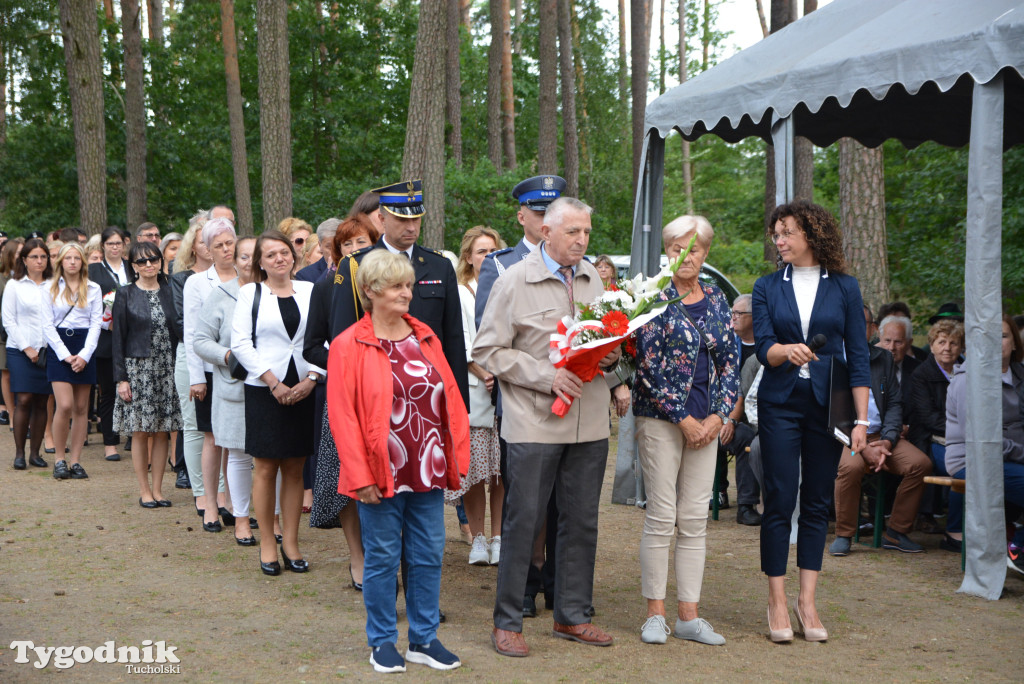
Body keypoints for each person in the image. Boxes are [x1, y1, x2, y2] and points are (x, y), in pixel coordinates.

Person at [475, 197, 620, 657]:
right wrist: (545, 376)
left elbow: (601, 340)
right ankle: (508, 621)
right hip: (533, 423)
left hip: (590, 422)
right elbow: (487, 351)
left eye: (587, 233)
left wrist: (612, 354)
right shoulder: (513, 279)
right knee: (525, 522)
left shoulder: (593, 278)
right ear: (545, 233)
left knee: (581, 522)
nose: (582, 241)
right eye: (573, 232)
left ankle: (572, 616)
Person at [327, 249, 469, 673]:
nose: (407, 292)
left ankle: (423, 639)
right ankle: (383, 641)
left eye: (408, 284)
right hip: (379, 469)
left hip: (427, 465)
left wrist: (455, 457)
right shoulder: (348, 344)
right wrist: (359, 473)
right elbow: (343, 417)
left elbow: (450, 399)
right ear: (369, 291)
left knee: (428, 554)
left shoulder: (425, 336)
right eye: (396, 286)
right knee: (383, 558)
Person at [751, 200, 870, 643]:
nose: (779, 241)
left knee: (819, 500)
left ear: (811, 235)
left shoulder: (845, 287)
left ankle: (808, 601)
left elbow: (858, 358)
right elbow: (763, 347)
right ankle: (777, 600)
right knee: (780, 497)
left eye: (786, 233)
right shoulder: (765, 286)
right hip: (780, 402)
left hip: (829, 407)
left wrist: (861, 420)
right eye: (776, 234)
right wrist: (786, 351)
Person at [631, 215, 739, 646]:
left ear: (705, 253)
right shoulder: (650, 296)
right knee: (661, 515)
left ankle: (689, 617)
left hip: (707, 421)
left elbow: (731, 360)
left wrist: (718, 416)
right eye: (678, 246)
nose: (685, 255)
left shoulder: (715, 299)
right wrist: (683, 418)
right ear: (667, 250)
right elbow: (646, 366)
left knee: (695, 518)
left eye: (694, 248)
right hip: (661, 419)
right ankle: (655, 615)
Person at [474, 174, 566, 619]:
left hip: (570, 396)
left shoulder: (574, 261)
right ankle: (527, 581)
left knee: (562, 499)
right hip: (519, 396)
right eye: (538, 211)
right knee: (525, 497)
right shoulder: (500, 264)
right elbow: (489, 336)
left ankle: (556, 579)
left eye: (553, 210)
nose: (545, 218)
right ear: (522, 215)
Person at [232, 231, 322, 576]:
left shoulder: (312, 291)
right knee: (266, 467)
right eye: (270, 255)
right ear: (260, 262)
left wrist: (311, 379)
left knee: (296, 468)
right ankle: (268, 542)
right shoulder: (250, 293)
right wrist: (273, 383)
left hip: (303, 386)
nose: (279, 259)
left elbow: (323, 337)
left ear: (293, 256)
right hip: (264, 388)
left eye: (284, 252)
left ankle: (291, 542)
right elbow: (240, 343)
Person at [302, 214, 380, 588]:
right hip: (345, 396)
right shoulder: (324, 286)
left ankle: (387, 558)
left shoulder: (394, 285)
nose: (353, 251)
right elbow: (312, 347)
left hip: (388, 397)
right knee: (349, 479)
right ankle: (358, 557)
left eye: (360, 243)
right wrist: (346, 362)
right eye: (345, 245)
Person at [829, 318, 932, 556]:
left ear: (872, 329)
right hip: (846, 436)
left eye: (862, 322)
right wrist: (863, 447)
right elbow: (832, 412)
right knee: (851, 467)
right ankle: (844, 534)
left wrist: (887, 440)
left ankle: (896, 532)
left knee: (920, 464)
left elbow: (895, 402)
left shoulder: (882, 357)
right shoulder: (832, 359)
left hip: (880, 435)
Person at [944, 314, 1024, 574]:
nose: (996, 342)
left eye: (1003, 335)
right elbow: (980, 439)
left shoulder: (1020, 374)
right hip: (973, 459)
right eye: (988, 337)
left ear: (1014, 342)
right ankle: (1018, 549)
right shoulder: (969, 378)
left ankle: (1015, 540)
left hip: (1012, 459)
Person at [194, 236, 258, 545]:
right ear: (235, 260)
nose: (248, 262)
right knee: (238, 452)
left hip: (273, 388)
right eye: (243, 257)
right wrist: (227, 356)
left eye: (254, 256)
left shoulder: (276, 292)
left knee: (271, 457)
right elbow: (200, 340)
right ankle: (239, 518)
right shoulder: (220, 296)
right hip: (234, 387)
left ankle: (269, 518)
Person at [111, 242, 182, 507]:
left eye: (153, 259)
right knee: (140, 430)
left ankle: (159, 489)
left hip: (168, 367)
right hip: (138, 369)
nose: (148, 265)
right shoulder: (125, 294)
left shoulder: (170, 291)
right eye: (141, 262)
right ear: (133, 266)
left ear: (161, 261)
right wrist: (122, 378)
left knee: (164, 430)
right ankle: (144, 490)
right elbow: (118, 338)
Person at [451, 226, 506, 566]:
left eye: (492, 250)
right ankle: (478, 538)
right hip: (475, 390)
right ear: (469, 257)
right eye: (480, 251)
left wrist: (502, 376)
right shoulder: (460, 292)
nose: (486, 256)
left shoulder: (507, 287)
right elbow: (462, 341)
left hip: (506, 388)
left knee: (501, 472)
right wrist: (486, 375)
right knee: (474, 472)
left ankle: (500, 537)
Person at [183, 217, 238, 532]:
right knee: (212, 437)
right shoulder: (197, 283)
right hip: (209, 369)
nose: (226, 250)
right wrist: (196, 377)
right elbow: (192, 333)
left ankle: (233, 503)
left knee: (236, 441)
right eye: (219, 245)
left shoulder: (248, 278)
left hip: (239, 371)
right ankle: (210, 507)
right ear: (208, 249)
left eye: (229, 243)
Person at [170, 217, 221, 499]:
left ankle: (223, 493)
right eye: (203, 240)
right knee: (193, 426)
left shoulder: (234, 275)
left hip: (224, 360)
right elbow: (181, 324)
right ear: (193, 246)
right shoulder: (182, 280)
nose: (209, 245)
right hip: (190, 355)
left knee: (222, 431)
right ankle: (201, 492)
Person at [43, 242, 103, 480]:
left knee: (81, 408)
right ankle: (59, 458)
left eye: (76, 258)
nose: (72, 262)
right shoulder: (50, 288)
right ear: (61, 262)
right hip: (60, 347)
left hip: (84, 346)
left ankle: (76, 460)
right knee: (65, 404)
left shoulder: (94, 289)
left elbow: (96, 323)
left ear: (82, 262)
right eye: (68, 258)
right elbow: (47, 325)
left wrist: (85, 354)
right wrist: (65, 355)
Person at [908, 318, 964, 543]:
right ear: (931, 346)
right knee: (962, 472)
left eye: (953, 343)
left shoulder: (968, 370)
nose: (947, 348)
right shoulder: (922, 375)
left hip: (967, 437)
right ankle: (954, 530)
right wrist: (964, 431)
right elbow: (928, 417)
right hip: (932, 438)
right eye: (941, 342)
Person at [3, 238, 53, 470]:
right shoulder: (15, 285)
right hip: (19, 349)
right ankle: (20, 453)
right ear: (24, 260)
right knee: (23, 399)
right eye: (34, 257)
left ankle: (35, 453)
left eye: (43, 256)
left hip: (47, 350)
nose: (39, 261)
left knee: (42, 401)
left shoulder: (54, 285)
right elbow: (9, 321)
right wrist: (27, 348)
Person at [89, 227, 134, 462]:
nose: (115, 247)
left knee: (134, 389)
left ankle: (135, 437)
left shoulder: (132, 266)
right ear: (103, 247)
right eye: (110, 244)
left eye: (118, 243)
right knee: (108, 392)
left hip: (132, 335)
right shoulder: (94, 270)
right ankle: (110, 442)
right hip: (106, 336)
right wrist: (107, 321)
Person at [717, 293, 762, 525]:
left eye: (738, 313)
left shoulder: (767, 347)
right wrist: (727, 418)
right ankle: (736, 501)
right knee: (744, 437)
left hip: (756, 417)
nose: (732, 317)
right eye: (731, 312)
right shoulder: (726, 344)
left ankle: (752, 504)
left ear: (755, 318)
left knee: (752, 438)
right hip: (722, 415)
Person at [0, 238, 25, 427]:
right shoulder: (2, 277)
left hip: (24, 330)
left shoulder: (26, 276)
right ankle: (11, 412)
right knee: (7, 372)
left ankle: (23, 411)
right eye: (18, 253)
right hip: (3, 332)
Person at [295, 218, 340, 283]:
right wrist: (328, 272)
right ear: (320, 245)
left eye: (338, 246)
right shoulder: (305, 275)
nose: (335, 252)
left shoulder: (355, 266)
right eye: (329, 247)